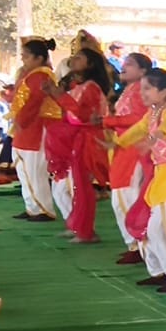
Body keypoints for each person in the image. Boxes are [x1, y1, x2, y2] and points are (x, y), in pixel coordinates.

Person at [114, 67, 166, 293]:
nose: (142, 93)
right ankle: (160, 271)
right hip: (162, 176)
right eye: (142, 89)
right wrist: (118, 144)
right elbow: (137, 130)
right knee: (151, 228)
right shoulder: (151, 113)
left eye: (147, 89)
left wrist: (153, 139)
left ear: (163, 92)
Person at [48, 45, 113, 244]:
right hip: (76, 137)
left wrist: (58, 95)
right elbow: (72, 112)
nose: (73, 60)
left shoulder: (91, 87)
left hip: (87, 140)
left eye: (79, 58)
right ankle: (77, 225)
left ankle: (85, 231)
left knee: (80, 187)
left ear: (90, 64)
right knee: (67, 187)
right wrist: (56, 94)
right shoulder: (79, 86)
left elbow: (83, 115)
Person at [104, 52, 152, 264]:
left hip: (133, 149)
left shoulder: (139, 90)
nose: (123, 67)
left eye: (129, 64)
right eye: (124, 63)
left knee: (126, 197)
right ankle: (136, 244)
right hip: (124, 147)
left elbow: (138, 119)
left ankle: (140, 245)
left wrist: (108, 121)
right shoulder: (130, 90)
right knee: (122, 198)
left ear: (142, 71)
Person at [9, 37, 60, 222]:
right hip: (26, 128)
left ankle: (43, 209)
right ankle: (32, 206)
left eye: (27, 56)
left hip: (35, 127)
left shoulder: (41, 75)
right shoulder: (31, 74)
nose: (23, 59)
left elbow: (34, 102)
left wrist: (21, 120)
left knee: (34, 170)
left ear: (39, 58)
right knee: (25, 170)